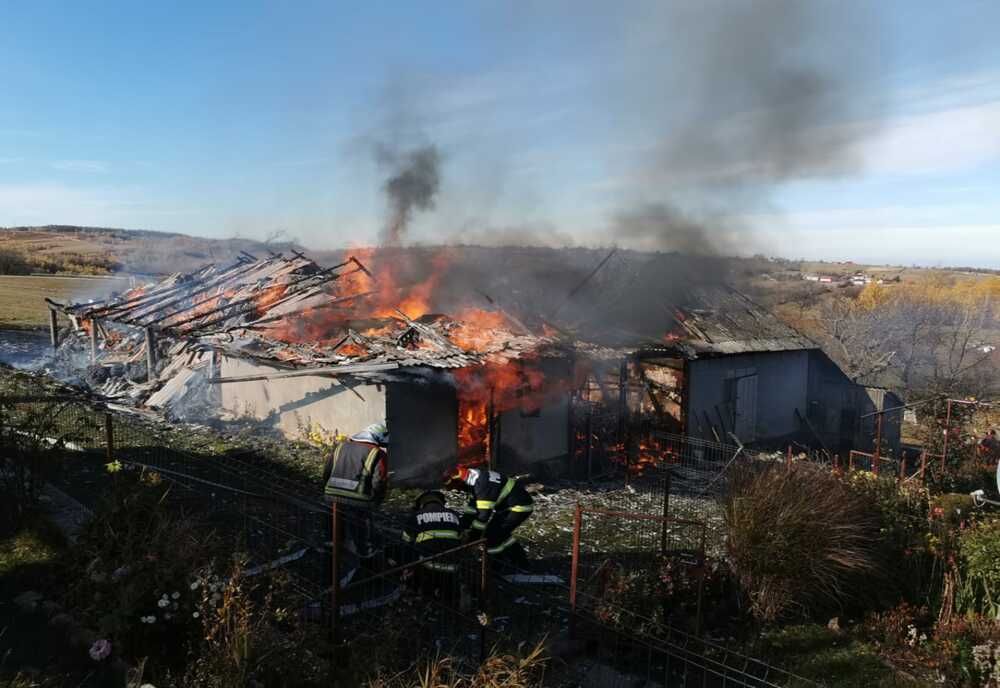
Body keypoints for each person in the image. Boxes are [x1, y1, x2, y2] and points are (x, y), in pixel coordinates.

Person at [322, 421, 389, 562]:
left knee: (334, 527)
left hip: (332, 495)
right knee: (361, 530)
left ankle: (332, 551)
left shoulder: (341, 446)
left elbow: (327, 470)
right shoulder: (378, 453)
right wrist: (376, 500)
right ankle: (366, 556)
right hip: (358, 499)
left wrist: (329, 489)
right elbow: (379, 481)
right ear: (377, 438)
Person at [446, 466, 534, 560]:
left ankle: (496, 563)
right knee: (500, 533)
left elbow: (483, 517)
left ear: (461, 481)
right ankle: (520, 560)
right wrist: (462, 526)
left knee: (491, 536)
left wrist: (472, 539)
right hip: (510, 506)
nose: (459, 490)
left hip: (519, 507)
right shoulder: (477, 478)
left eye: (457, 487)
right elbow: (472, 508)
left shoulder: (482, 487)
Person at [401, 490, 464, 597]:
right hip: (452, 566)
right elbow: (462, 538)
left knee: (427, 594)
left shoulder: (416, 516)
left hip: (427, 566)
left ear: (422, 504)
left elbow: (406, 542)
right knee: (449, 597)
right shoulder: (454, 515)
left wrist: (407, 565)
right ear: (440, 502)